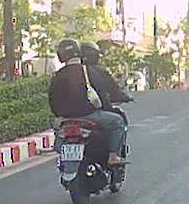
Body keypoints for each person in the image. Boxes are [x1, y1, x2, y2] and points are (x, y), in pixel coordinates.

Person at [48, 38, 131, 166]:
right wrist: (109, 106)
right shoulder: (88, 71)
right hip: (89, 115)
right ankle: (113, 156)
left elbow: (52, 99)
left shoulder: (57, 76)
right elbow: (102, 94)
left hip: (65, 119)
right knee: (118, 122)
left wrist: (60, 115)